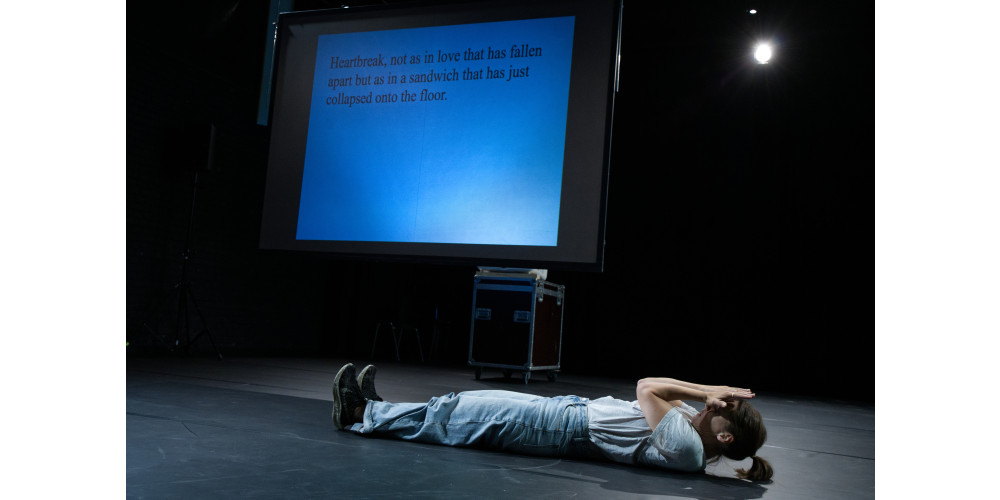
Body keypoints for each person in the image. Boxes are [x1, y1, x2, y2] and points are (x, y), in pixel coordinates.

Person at [332, 363, 773, 481]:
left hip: (557, 428)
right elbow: (665, 390)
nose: (712, 405)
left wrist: (704, 391)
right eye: (718, 402)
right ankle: (377, 411)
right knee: (461, 405)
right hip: (565, 413)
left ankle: (359, 412)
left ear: (724, 437)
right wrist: (709, 391)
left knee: (458, 415)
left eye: (720, 410)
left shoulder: (688, 449)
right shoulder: (690, 425)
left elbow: (647, 387)